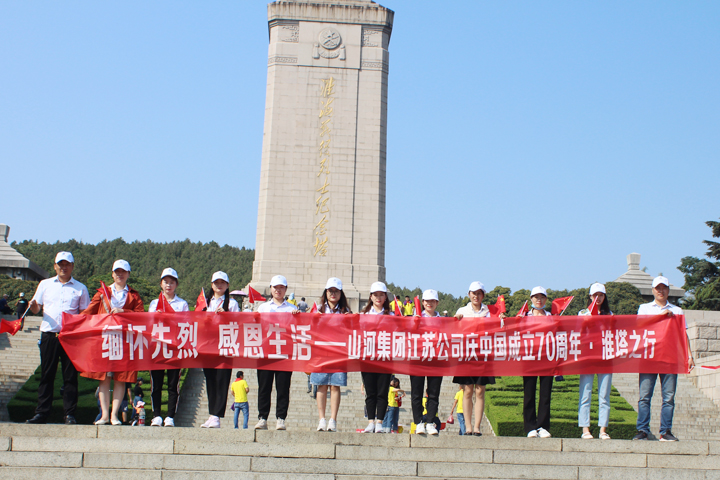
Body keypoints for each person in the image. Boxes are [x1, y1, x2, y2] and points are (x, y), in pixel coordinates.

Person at [26, 252, 90, 425]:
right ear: (55, 266)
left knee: (70, 377)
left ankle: (69, 414)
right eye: (60, 264)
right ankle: (41, 413)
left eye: (67, 264)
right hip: (50, 335)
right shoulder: (45, 284)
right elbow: (36, 309)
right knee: (47, 375)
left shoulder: (80, 288)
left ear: (72, 266)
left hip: (70, 337)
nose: (64, 267)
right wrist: (33, 306)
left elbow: (84, 313)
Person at [81, 259, 144, 425]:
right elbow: (89, 312)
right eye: (117, 272)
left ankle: (114, 415)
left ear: (128, 274)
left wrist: (124, 311)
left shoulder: (134, 295)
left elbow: (141, 315)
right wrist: (71, 322)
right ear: (112, 274)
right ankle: (104, 415)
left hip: (125, 341)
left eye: (123, 272)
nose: (120, 275)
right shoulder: (103, 293)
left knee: (120, 378)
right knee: (104, 378)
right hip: (105, 340)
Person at [633, 276, 692, 442]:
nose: (661, 291)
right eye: (657, 288)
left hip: (670, 358)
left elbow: (683, 334)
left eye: (664, 287)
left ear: (668, 290)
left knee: (669, 398)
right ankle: (643, 430)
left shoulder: (677, 311)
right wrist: (660, 316)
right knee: (645, 396)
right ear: (653, 290)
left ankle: (665, 431)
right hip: (649, 357)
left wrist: (689, 355)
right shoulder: (644, 308)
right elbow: (639, 327)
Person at [255, 275, 299, 431]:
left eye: (281, 287)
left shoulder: (291, 309)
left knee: (283, 387)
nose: (278, 290)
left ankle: (281, 418)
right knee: (264, 387)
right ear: (270, 289)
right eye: (275, 287)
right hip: (265, 353)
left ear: (286, 289)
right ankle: (262, 418)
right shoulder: (263, 308)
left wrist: (297, 318)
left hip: (284, 353)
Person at [453, 281, 495, 436]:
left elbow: (499, 327)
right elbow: (454, 329)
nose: (476, 296)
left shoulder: (490, 311)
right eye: (473, 293)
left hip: (483, 354)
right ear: (469, 294)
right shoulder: (462, 311)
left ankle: (477, 427)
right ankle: (468, 426)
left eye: (479, 293)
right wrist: (456, 320)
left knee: (480, 391)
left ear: (483, 295)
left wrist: (501, 317)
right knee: (468, 390)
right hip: (467, 354)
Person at [148, 268, 189, 427]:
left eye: (172, 282)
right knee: (156, 385)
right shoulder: (154, 303)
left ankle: (170, 416)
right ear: (161, 284)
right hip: (157, 348)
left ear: (176, 284)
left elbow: (186, 325)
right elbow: (148, 325)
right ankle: (156, 415)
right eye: (166, 282)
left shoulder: (182, 304)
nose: (168, 285)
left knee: (173, 385)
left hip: (174, 348)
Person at [312, 277, 352, 432]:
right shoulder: (318, 309)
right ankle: (321, 419)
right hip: (321, 353)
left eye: (336, 291)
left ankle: (333, 420)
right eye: (330, 291)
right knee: (321, 385)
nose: (333, 294)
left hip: (338, 353)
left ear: (341, 293)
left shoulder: (346, 312)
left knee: (335, 386)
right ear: (326, 292)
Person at [201, 271, 240, 428]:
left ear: (227, 285)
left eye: (222, 282)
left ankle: (217, 415)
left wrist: (227, 315)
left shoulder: (232, 304)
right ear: (212, 285)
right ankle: (212, 414)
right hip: (207, 345)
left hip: (225, 345)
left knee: (222, 379)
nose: (219, 285)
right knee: (210, 380)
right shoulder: (205, 302)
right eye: (216, 282)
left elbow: (238, 323)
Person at [578, 282, 613, 440]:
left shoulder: (609, 314)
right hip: (588, 357)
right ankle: (585, 429)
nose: (597, 298)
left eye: (601, 295)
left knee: (604, 395)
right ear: (590, 296)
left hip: (605, 357)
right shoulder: (582, 313)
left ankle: (603, 430)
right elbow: (577, 331)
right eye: (595, 295)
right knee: (585, 393)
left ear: (604, 297)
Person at [360, 281, 393, 433]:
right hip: (368, 357)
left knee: (382, 391)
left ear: (385, 297)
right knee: (370, 392)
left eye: (381, 295)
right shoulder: (364, 315)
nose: (378, 298)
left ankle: (380, 422)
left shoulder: (392, 316)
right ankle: (370, 422)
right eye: (375, 295)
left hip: (385, 357)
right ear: (371, 297)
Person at [410, 289, 443, 435]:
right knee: (416, 393)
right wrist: (413, 322)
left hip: (436, 360)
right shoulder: (416, 317)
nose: (430, 303)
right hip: (417, 359)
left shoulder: (443, 320)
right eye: (427, 301)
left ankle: (430, 422)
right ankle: (418, 422)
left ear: (437, 303)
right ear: (423, 302)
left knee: (434, 393)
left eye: (432, 301)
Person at [522, 286, 553, 438]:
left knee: (545, 393)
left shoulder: (551, 316)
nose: (539, 300)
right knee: (529, 393)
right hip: (529, 358)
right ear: (531, 299)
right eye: (536, 297)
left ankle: (543, 426)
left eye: (542, 297)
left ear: (546, 299)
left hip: (547, 358)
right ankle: (530, 427)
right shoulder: (524, 316)